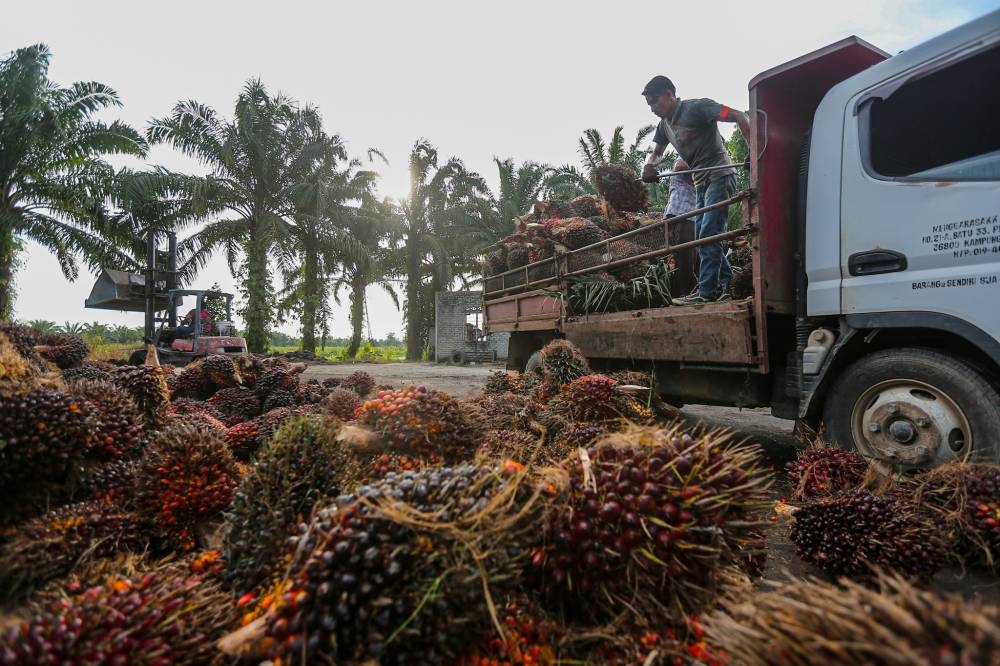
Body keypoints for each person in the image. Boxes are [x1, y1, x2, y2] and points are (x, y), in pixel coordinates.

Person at [641, 75, 750, 304]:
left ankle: (706, 293)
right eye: (649, 104)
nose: (652, 108)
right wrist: (650, 165)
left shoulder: (698, 108)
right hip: (701, 183)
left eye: (655, 101)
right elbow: (658, 152)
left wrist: (755, 151)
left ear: (670, 94)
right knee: (703, 237)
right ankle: (728, 285)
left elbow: (739, 115)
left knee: (709, 234)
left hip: (719, 175)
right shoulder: (664, 126)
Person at [662, 158, 699, 298]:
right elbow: (680, 165)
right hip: (682, 213)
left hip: (690, 215)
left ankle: (686, 290)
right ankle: (686, 292)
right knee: (684, 253)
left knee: (689, 253)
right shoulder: (686, 155)